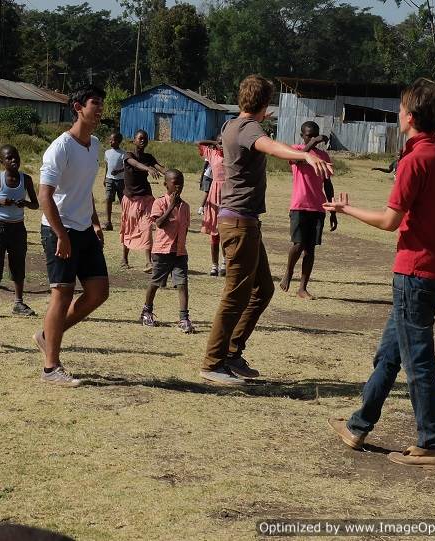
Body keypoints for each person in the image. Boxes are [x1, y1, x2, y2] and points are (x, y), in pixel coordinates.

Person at [326, 78, 435, 470]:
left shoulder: (413, 161)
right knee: (390, 351)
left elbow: (390, 221)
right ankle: (358, 425)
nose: (399, 114)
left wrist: (346, 210)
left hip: (414, 271)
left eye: (402, 108)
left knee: (416, 357)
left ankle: (430, 443)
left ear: (410, 116)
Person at [200, 75, 332, 386]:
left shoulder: (233, 125)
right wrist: (304, 154)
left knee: (263, 289)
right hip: (239, 223)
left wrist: (259, 116)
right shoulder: (249, 129)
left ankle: (232, 353)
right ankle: (213, 362)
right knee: (235, 295)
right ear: (263, 103)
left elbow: (255, 136)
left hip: (244, 222)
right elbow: (269, 146)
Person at [34, 86, 110, 387]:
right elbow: (44, 196)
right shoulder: (60, 148)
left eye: (102, 103)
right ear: (78, 107)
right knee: (62, 294)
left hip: (83, 229)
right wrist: (60, 234)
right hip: (59, 229)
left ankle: (47, 335)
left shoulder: (95, 145)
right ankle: (51, 368)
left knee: (99, 292)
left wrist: (95, 222)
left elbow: (84, 189)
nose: (100, 108)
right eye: (95, 103)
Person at [280, 121, 337, 300]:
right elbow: (297, 159)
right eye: (308, 135)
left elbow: (327, 183)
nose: (311, 138)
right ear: (301, 135)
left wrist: (332, 210)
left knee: (310, 250)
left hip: (317, 207)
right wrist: (311, 144)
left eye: (314, 135)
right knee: (298, 244)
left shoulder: (323, 156)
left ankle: (302, 288)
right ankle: (288, 272)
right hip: (299, 205)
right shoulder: (297, 150)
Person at [0, 144, 39, 318]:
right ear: (2, 162)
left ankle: (18, 303)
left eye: (16, 157)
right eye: (9, 158)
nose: (14, 160)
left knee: (18, 264)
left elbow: (36, 204)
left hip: (17, 227)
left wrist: (26, 204)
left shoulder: (26, 179)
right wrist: (0, 202)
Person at [141, 169, 194, 334]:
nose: (179, 186)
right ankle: (146, 311)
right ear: (166, 184)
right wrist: (171, 206)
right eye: (175, 182)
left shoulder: (185, 206)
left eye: (181, 182)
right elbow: (159, 224)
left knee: (182, 284)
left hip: (179, 252)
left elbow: (185, 228)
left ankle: (184, 318)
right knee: (156, 282)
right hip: (162, 251)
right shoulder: (160, 203)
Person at [120, 129, 166, 272]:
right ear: (134, 140)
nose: (142, 140)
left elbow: (161, 169)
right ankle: (124, 258)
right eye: (140, 138)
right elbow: (136, 164)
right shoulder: (128, 155)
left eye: (145, 138)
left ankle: (148, 262)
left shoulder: (149, 157)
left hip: (146, 197)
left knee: (146, 227)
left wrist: (172, 174)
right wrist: (148, 169)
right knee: (128, 228)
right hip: (130, 198)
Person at [196, 136, 225, 276]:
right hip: (215, 193)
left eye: (224, 141)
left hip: (229, 194)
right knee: (214, 233)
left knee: (226, 231)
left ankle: (225, 263)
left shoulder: (233, 154)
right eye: (220, 141)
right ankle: (214, 265)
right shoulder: (212, 153)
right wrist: (215, 143)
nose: (221, 144)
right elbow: (199, 143)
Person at [102, 132, 126, 230]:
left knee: (123, 201)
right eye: (110, 139)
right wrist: (105, 177)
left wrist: (119, 171)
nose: (110, 141)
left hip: (120, 181)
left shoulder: (123, 154)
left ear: (118, 142)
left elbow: (126, 167)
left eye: (113, 140)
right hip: (109, 180)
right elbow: (107, 166)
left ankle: (125, 222)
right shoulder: (107, 152)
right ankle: (108, 222)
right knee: (108, 200)